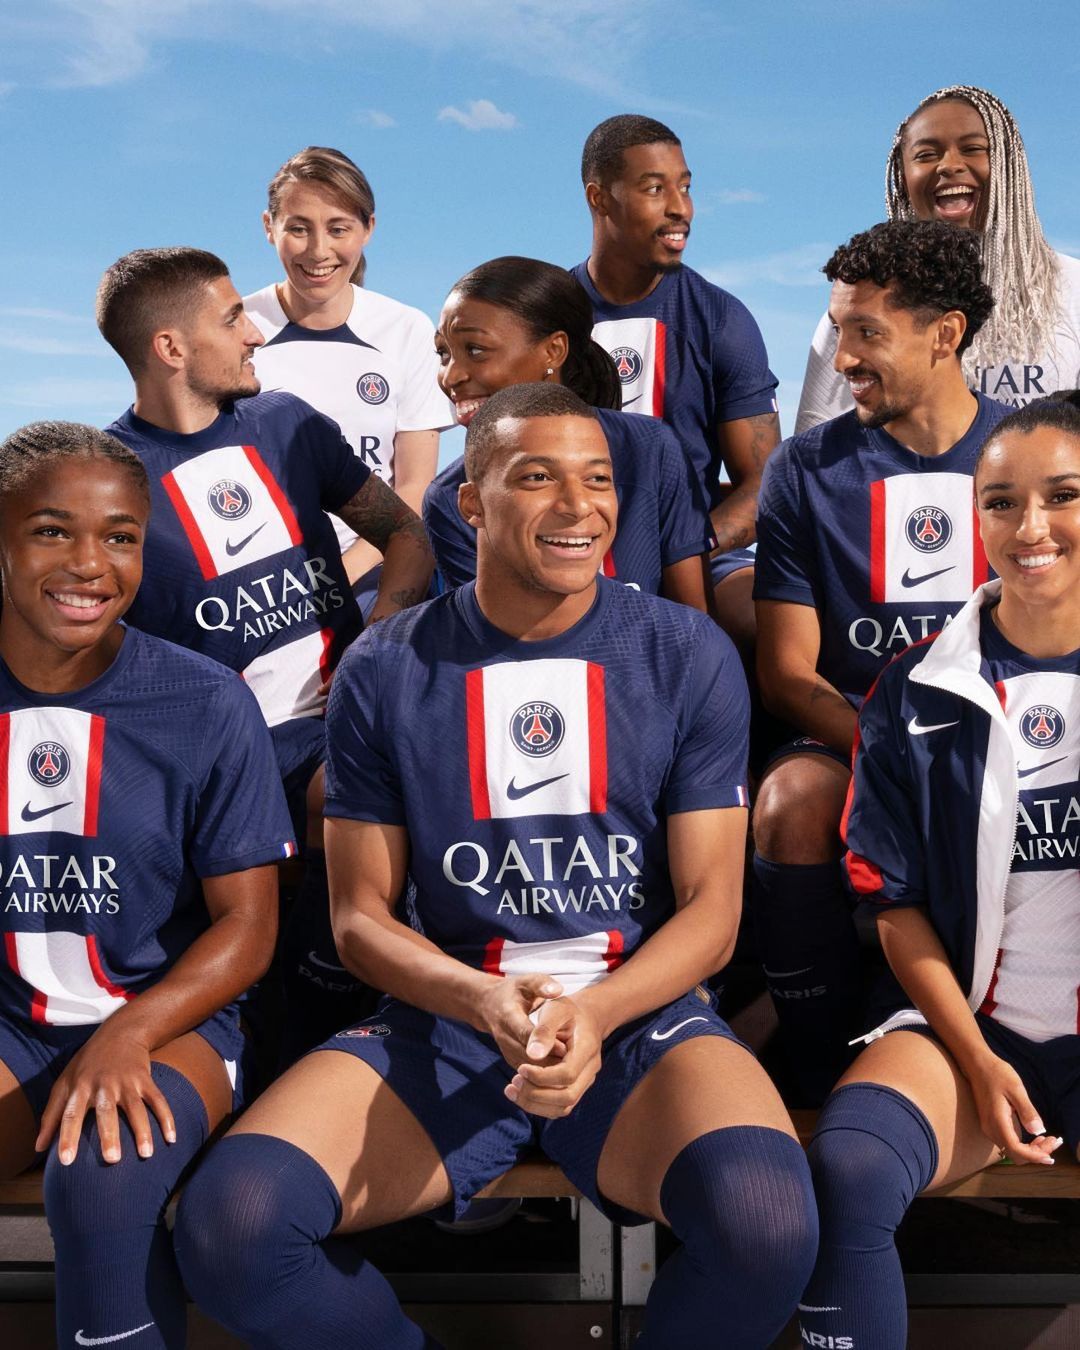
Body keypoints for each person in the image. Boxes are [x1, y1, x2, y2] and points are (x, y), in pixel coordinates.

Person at [173, 384, 818, 1350]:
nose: (579, 505)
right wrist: (482, 1002)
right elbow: (358, 919)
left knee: (767, 1230)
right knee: (234, 1230)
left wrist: (595, 1013)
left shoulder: (684, 651)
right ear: (472, 504)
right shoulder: (388, 665)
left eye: (598, 480)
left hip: (636, 1016)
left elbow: (710, 910)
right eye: (539, 477)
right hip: (449, 1018)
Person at [96, 246, 435, 1060]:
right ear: (171, 348)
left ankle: (336, 1043)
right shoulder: (110, 482)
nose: (255, 332)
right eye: (231, 319)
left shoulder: (287, 425)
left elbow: (406, 536)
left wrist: (373, 648)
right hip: (224, 758)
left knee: (355, 790)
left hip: (341, 726)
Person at [0, 421, 295, 1349]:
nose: (90, 564)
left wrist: (127, 1033)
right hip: (13, 1020)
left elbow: (247, 927)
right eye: (52, 531)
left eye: (120, 537)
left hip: (167, 1021)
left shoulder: (202, 699)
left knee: (100, 1171)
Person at [797, 394, 1080, 1350]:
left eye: (1063, 496)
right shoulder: (916, 685)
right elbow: (895, 902)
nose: (1030, 528)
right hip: (975, 1028)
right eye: (1001, 502)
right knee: (850, 1170)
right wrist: (980, 1058)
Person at [752, 219, 1008, 1103]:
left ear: (945, 334)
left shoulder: (1030, 456)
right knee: (790, 802)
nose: (845, 358)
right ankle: (818, 1071)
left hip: (1012, 741)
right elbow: (788, 674)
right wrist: (895, 751)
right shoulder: (803, 469)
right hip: (857, 737)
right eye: (839, 331)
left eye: (867, 333)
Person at [571, 113, 782, 647]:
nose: (679, 208)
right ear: (599, 198)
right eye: (654, 188)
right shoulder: (548, 314)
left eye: (685, 187)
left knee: (770, 619)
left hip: (695, 552)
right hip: (566, 546)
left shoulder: (721, 318)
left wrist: (681, 549)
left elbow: (764, 484)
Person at [424, 255, 715, 609]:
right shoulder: (449, 498)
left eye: (475, 350)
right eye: (444, 354)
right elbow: (494, 630)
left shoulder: (650, 447)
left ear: (553, 351)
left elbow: (694, 618)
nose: (451, 376)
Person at [797, 85, 1080, 433]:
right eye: (926, 155)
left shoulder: (1073, 290)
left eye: (972, 149)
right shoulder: (858, 306)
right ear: (902, 177)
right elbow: (816, 443)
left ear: (1010, 166)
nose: (949, 165)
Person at [246, 146, 452, 601]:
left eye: (338, 229)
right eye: (298, 228)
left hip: (373, 565)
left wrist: (339, 574)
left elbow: (414, 486)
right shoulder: (237, 328)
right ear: (269, 227)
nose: (319, 251)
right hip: (263, 579)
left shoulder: (405, 329)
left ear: (368, 229)